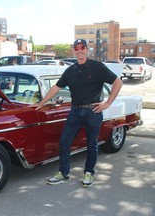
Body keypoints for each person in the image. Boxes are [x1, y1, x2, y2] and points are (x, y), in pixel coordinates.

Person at [31, 39, 122, 188]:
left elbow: (118, 82)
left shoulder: (97, 67)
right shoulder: (70, 70)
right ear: (73, 51)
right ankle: (63, 173)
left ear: (87, 50)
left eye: (82, 48)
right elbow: (56, 87)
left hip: (93, 111)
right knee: (64, 142)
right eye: (76, 48)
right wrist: (42, 103)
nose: (79, 50)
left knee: (92, 144)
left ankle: (89, 173)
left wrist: (108, 103)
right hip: (75, 111)